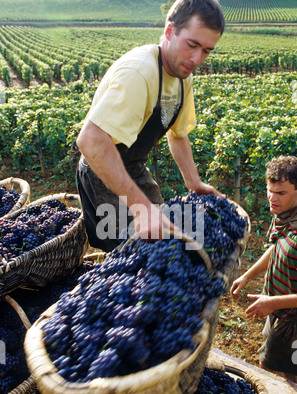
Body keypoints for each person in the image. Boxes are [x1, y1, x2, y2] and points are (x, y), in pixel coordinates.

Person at [76, 0, 225, 252]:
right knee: (131, 256)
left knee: (164, 242)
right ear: (169, 31)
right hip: (102, 172)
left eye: (207, 51)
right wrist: (141, 208)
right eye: (192, 45)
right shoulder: (139, 73)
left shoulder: (181, 75)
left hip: (134, 169)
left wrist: (194, 182)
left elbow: (178, 135)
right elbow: (90, 140)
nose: (197, 59)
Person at [231, 155, 297, 384]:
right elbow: (277, 248)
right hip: (279, 309)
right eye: (270, 190)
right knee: (280, 366)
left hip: (292, 318)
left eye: (281, 193)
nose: (272, 198)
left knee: (273, 370)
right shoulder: (286, 215)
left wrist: (272, 303)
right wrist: (248, 275)